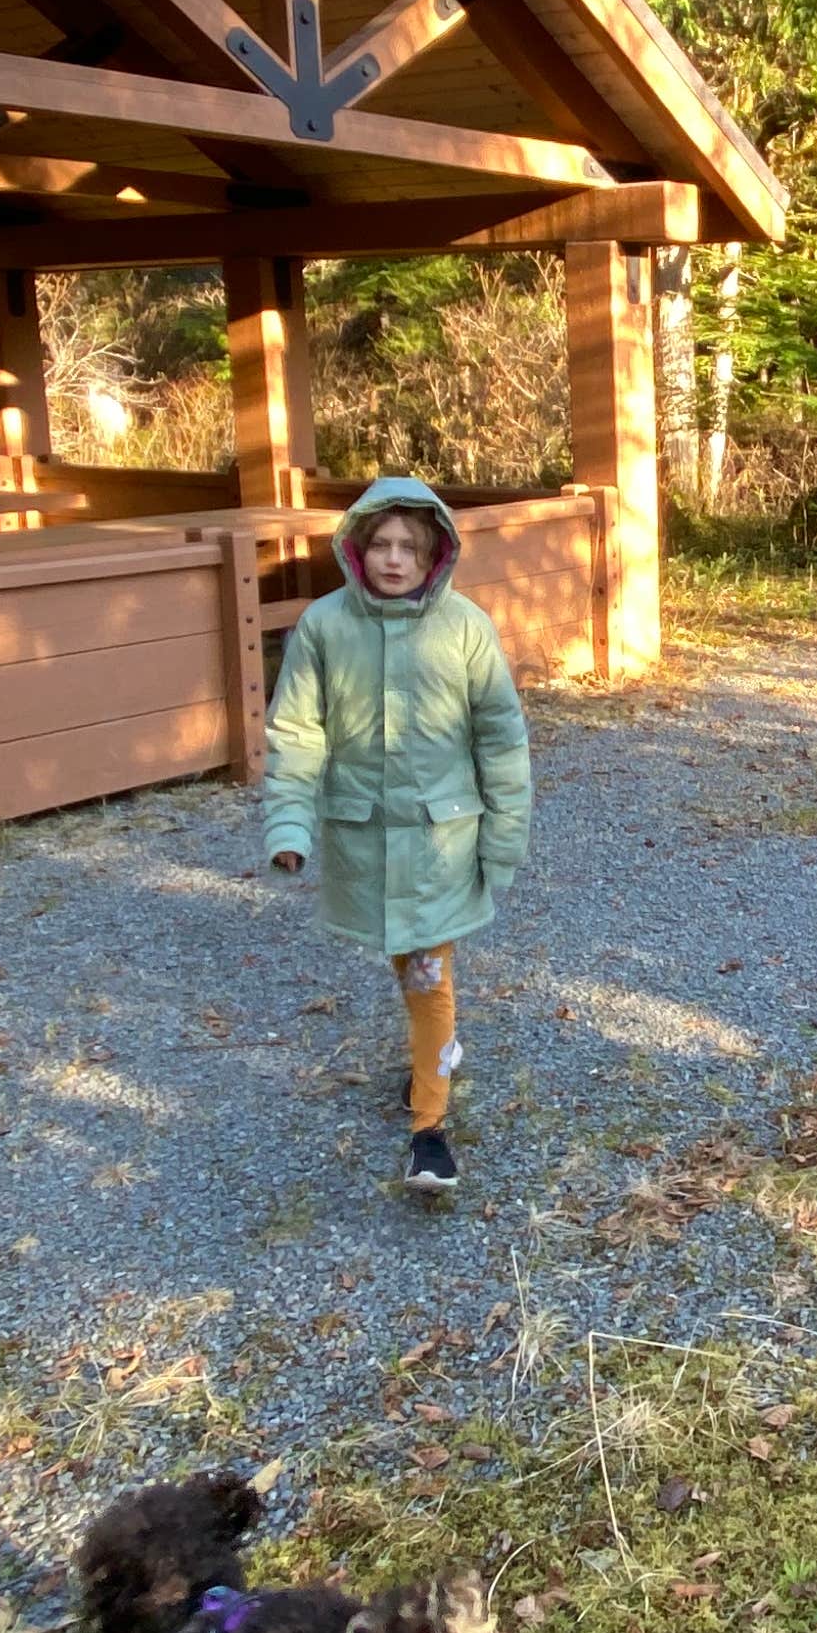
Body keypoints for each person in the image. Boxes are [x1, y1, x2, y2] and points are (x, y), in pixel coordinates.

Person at [262, 475, 534, 1195]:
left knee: (427, 973)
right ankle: (432, 1056)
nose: (391, 559)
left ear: (433, 553)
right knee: (407, 966)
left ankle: (430, 1131)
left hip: (441, 844)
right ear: (355, 549)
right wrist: (288, 824)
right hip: (364, 842)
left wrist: (502, 842)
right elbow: (295, 732)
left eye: (407, 547)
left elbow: (500, 741)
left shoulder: (466, 627)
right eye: (378, 544)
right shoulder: (323, 627)